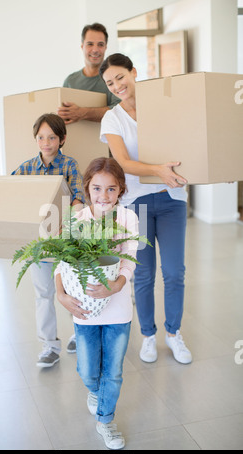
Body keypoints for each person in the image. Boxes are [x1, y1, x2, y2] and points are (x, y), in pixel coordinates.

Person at [99, 53, 192, 365]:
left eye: (121, 77)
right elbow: (124, 163)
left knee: (175, 272)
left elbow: (188, 144)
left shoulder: (161, 107)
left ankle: (174, 334)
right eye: (110, 83)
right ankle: (149, 336)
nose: (117, 86)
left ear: (133, 72)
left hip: (171, 198)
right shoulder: (112, 118)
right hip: (136, 202)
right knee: (144, 274)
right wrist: (158, 170)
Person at [55, 157, 139, 450]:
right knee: (88, 370)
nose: (104, 196)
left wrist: (117, 284)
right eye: (97, 188)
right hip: (84, 308)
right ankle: (95, 391)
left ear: (121, 190)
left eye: (111, 189)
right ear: (87, 188)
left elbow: (131, 257)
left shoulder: (128, 218)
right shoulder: (76, 221)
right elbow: (61, 266)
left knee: (113, 371)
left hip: (118, 309)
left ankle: (106, 420)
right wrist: (61, 295)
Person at [9, 114, 85, 367]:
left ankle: (79, 333)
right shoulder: (26, 168)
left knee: (75, 287)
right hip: (40, 243)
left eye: (51, 137)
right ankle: (49, 346)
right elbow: (6, 195)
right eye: (41, 137)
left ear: (62, 139)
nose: (46, 142)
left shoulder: (69, 165)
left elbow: (78, 196)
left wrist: (73, 213)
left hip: (66, 239)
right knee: (43, 293)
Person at [58, 23, 120, 124]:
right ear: (82, 46)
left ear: (105, 47)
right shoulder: (70, 81)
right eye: (90, 44)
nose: (95, 50)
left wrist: (83, 113)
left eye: (100, 44)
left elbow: (119, 112)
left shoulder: (114, 79)